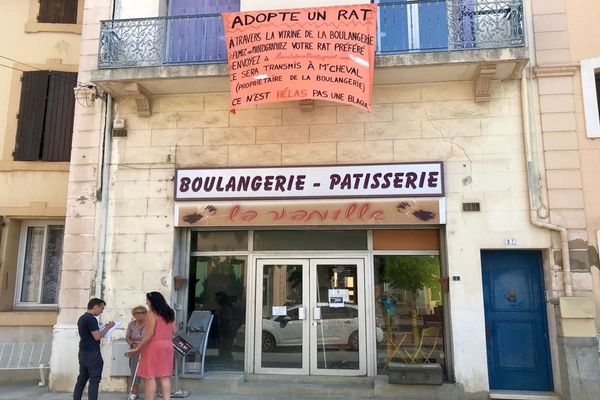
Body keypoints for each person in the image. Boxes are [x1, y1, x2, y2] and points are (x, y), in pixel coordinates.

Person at [126, 292, 176, 400]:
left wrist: (138, 347)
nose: (146, 302)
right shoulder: (170, 312)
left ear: (152, 301)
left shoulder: (151, 313)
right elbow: (174, 330)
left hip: (153, 346)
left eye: (147, 300)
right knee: (165, 376)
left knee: (150, 376)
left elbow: (150, 333)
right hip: (167, 345)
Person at [73, 298, 115, 400]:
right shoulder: (91, 319)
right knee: (94, 380)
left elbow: (90, 333)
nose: (102, 311)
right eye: (102, 308)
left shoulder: (82, 318)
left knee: (82, 379)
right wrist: (108, 327)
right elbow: (97, 336)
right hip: (92, 354)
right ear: (95, 307)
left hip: (83, 352)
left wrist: (102, 328)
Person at [125, 305, 147, 400]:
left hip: (146, 350)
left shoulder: (149, 324)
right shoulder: (131, 324)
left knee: (148, 373)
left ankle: (149, 393)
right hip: (134, 350)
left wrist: (143, 345)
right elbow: (127, 337)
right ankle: (134, 393)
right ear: (134, 315)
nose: (140, 315)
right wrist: (133, 344)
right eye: (138, 313)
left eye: (143, 313)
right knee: (134, 372)